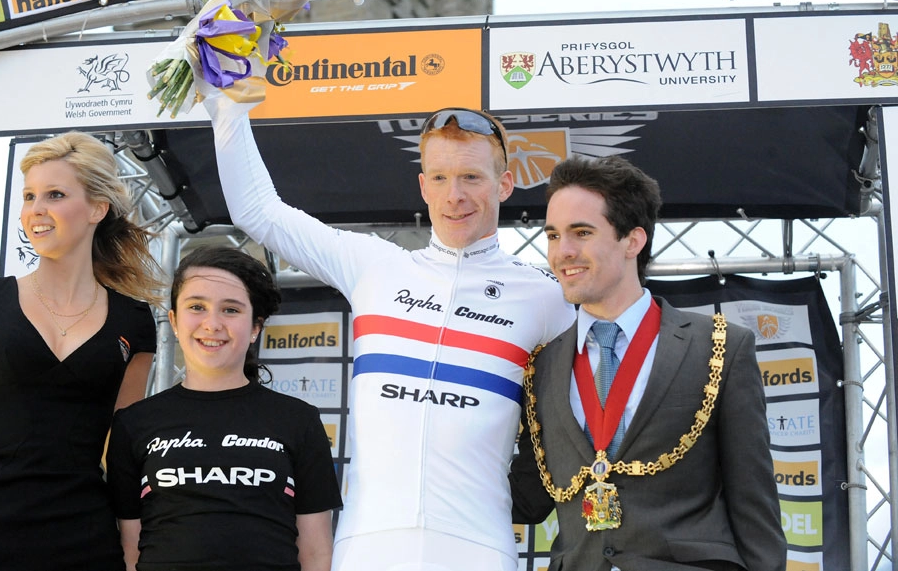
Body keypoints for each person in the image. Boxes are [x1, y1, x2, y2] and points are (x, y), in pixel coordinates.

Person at [204, 102, 574, 571]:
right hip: (368, 546)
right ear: (423, 186)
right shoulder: (375, 266)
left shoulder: (546, 296)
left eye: (471, 178)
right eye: (439, 178)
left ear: (504, 184)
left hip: (479, 547)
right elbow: (258, 211)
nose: (454, 195)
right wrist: (228, 109)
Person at [509, 155, 787, 571]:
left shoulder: (720, 347)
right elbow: (529, 498)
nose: (562, 252)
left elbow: (755, 509)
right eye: (553, 235)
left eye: (582, 232)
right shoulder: (541, 366)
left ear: (633, 241)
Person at [0, 132, 163, 571]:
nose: (36, 209)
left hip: (89, 540)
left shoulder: (133, 321)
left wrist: (133, 548)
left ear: (97, 209)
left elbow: (122, 450)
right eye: (29, 196)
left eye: (55, 194)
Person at [106, 244, 341, 571]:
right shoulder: (133, 424)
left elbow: (316, 553)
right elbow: (130, 551)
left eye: (230, 309)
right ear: (173, 321)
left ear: (256, 327)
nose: (212, 323)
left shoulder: (299, 420)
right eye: (196, 307)